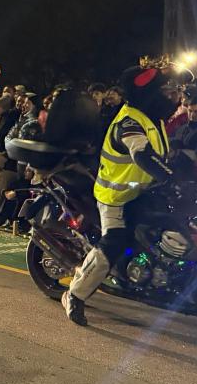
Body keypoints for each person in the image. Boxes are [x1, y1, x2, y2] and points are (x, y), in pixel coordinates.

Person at [61, 65, 178, 326]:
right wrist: (170, 176)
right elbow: (143, 155)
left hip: (142, 191)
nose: (169, 95)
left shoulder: (152, 117)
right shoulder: (129, 123)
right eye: (163, 90)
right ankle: (75, 294)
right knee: (114, 242)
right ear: (148, 94)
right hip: (117, 196)